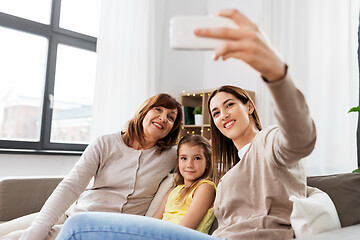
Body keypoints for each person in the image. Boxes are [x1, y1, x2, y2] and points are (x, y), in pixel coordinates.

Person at [53, 8, 316, 240]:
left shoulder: (268, 143)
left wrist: (276, 73)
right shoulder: (228, 177)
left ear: (249, 106)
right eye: (214, 112)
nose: (222, 115)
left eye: (229, 105)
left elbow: (300, 138)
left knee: (78, 226)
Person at [0, 93, 183, 240]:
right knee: (5, 231)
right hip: (73, 212)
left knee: (14, 238)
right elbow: (70, 186)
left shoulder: (172, 155)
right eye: (158, 109)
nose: (163, 118)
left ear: (173, 128)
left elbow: (199, 159)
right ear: (144, 112)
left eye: (171, 117)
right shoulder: (105, 143)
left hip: (97, 227)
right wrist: (40, 226)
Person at [152, 134, 216, 234]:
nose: (189, 165)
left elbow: (184, 231)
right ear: (178, 161)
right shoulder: (173, 191)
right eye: (184, 158)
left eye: (197, 158)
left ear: (207, 163)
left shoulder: (205, 188)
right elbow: (153, 223)